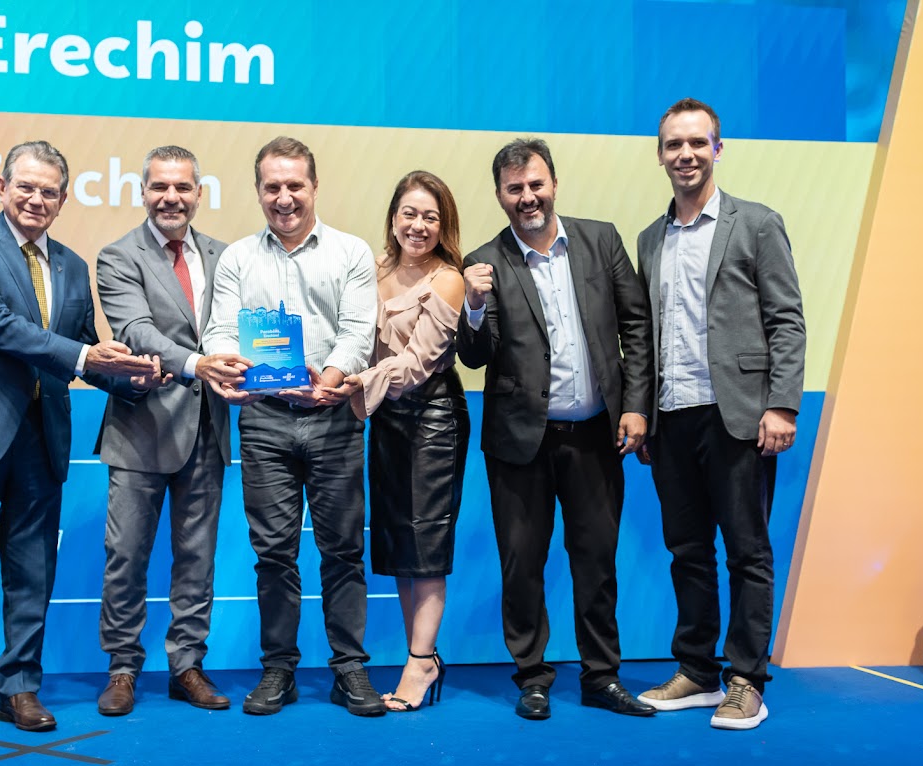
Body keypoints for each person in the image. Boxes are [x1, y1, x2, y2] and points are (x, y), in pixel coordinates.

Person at [0, 141, 163, 738]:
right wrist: (86, 356)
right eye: (25, 187)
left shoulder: (72, 265)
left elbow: (85, 346)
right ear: (1, 187)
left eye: (49, 191)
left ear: (63, 199)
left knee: (33, 569)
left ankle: (20, 687)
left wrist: (134, 377)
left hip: (41, 435)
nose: (36, 199)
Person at [457, 138, 655, 721]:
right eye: (514, 188)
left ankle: (602, 676)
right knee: (521, 564)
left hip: (596, 435)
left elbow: (636, 326)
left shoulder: (601, 240)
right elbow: (475, 355)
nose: (527, 197)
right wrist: (473, 305)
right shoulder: (485, 262)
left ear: (554, 184)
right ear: (500, 195)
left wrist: (637, 405)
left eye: (535, 184)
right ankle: (532, 678)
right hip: (520, 443)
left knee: (597, 561)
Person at [634, 98, 805, 730]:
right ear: (660, 155)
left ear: (717, 149)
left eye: (697, 143)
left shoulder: (756, 223)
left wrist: (781, 404)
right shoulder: (650, 239)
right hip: (672, 418)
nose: (685, 154)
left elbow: (787, 319)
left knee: (747, 552)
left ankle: (747, 679)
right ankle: (698, 671)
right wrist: (642, 414)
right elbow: (645, 338)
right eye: (673, 145)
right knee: (687, 551)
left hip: (740, 417)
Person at [198, 136, 383, 716]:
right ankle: (278, 669)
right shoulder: (237, 259)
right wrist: (235, 368)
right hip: (264, 421)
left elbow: (358, 331)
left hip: (333, 417)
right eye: (272, 186)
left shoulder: (351, 252)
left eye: (294, 185)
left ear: (314, 186)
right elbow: (220, 331)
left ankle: (349, 668)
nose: (284, 197)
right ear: (258, 191)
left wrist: (330, 378)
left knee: (343, 550)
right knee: (273, 553)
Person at [94, 145, 240, 715]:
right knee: (126, 557)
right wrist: (198, 364)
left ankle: (187, 666)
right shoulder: (117, 256)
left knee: (197, 559)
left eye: (182, 187)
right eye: (159, 187)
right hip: (141, 429)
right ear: (143, 192)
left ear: (199, 193)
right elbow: (135, 329)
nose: (170, 198)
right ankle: (122, 668)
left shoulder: (226, 256)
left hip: (207, 427)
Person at [325, 171, 470, 712]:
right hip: (385, 418)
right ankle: (421, 657)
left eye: (431, 216)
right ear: (392, 218)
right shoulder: (372, 271)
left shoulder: (448, 279)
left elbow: (414, 364)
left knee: (426, 544)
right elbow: (351, 337)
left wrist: (353, 382)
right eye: (409, 213)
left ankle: (419, 662)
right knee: (400, 545)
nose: (418, 225)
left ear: (443, 225)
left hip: (434, 419)